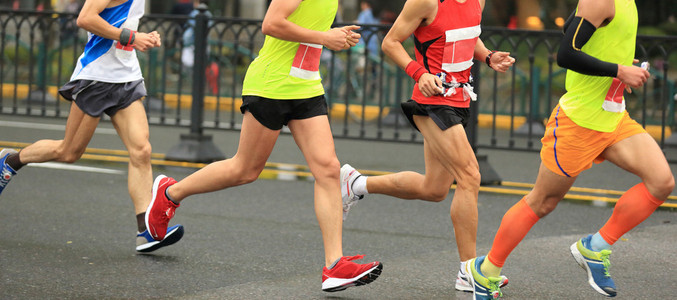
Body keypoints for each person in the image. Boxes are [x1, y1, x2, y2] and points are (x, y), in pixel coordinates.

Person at [144, 0, 383, 293]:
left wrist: (334, 34)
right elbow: (271, 23)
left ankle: (334, 265)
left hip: (306, 86)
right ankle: (170, 193)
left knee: (329, 170)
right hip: (270, 85)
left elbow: (306, 25)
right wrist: (324, 37)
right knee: (244, 170)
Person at [465, 0, 674, 299]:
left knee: (661, 183)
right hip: (578, 122)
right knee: (542, 202)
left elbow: (574, 29)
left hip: (614, 118)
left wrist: (622, 72)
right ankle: (486, 271)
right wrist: (619, 70)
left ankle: (596, 247)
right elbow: (566, 52)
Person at [340, 0, 514, 293]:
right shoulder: (426, 1)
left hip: (459, 99)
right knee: (470, 175)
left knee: (434, 189)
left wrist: (488, 56)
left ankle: (357, 184)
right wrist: (419, 74)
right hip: (432, 101)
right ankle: (468, 270)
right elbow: (390, 42)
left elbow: (467, 34)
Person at [0, 0, 184, 253]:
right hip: (97, 77)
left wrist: (145, 37)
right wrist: (132, 36)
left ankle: (146, 231)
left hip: (126, 77)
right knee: (68, 152)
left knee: (141, 150)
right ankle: (11, 161)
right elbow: (85, 18)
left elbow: (125, 23)